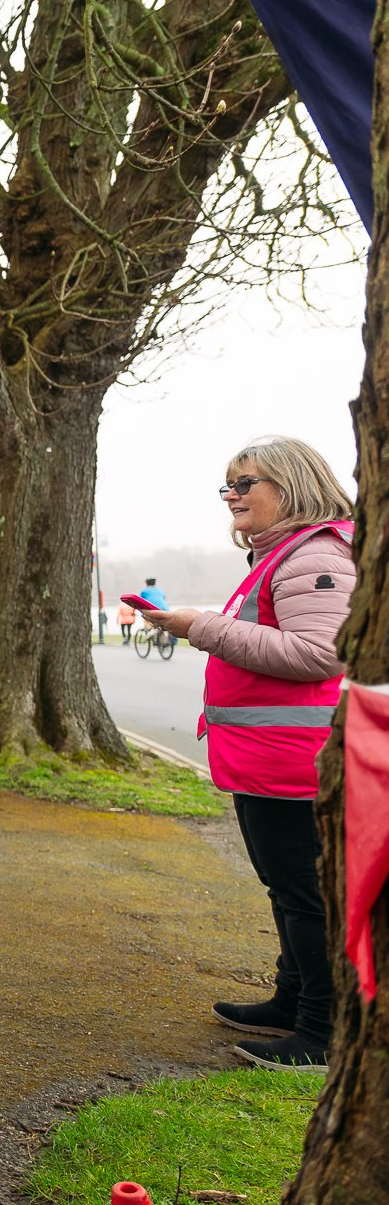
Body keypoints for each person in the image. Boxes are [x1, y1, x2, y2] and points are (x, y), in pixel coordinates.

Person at [138, 437, 355, 1072]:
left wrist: (200, 627)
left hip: (299, 761)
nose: (230, 497)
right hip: (273, 758)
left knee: (306, 892)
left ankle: (322, 1030)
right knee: (286, 886)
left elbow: (322, 653)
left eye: (244, 484)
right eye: (227, 486)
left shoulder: (316, 555)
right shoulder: (285, 554)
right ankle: (293, 1001)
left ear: (292, 485)